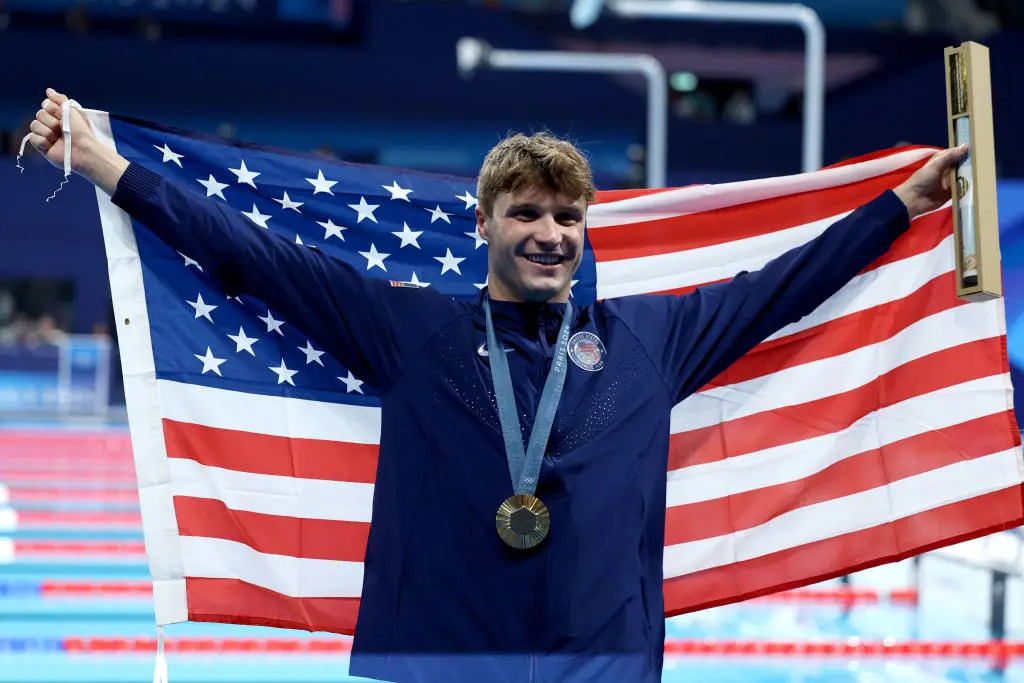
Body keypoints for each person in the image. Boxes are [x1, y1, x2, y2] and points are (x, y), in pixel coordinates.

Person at [28, 88, 967, 683]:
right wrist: (109, 167)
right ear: (484, 222)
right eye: (527, 212)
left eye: (567, 216)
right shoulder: (412, 330)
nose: (551, 233)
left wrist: (898, 208)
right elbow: (257, 258)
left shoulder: (652, 338)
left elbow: (781, 290)